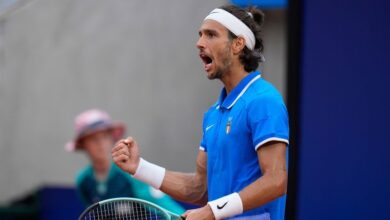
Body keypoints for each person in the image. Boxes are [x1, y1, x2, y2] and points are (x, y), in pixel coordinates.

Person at [112, 4, 289, 220]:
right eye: (200, 35)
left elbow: (276, 180)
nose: (199, 43)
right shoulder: (212, 115)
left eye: (211, 35)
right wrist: (139, 167)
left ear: (238, 44)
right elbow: (200, 188)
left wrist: (212, 211)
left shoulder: (263, 100)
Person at [65, 109, 184, 214]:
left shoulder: (132, 174)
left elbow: (168, 208)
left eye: (105, 137)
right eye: (93, 139)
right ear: (83, 145)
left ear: (112, 139)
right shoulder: (83, 181)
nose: (101, 144)